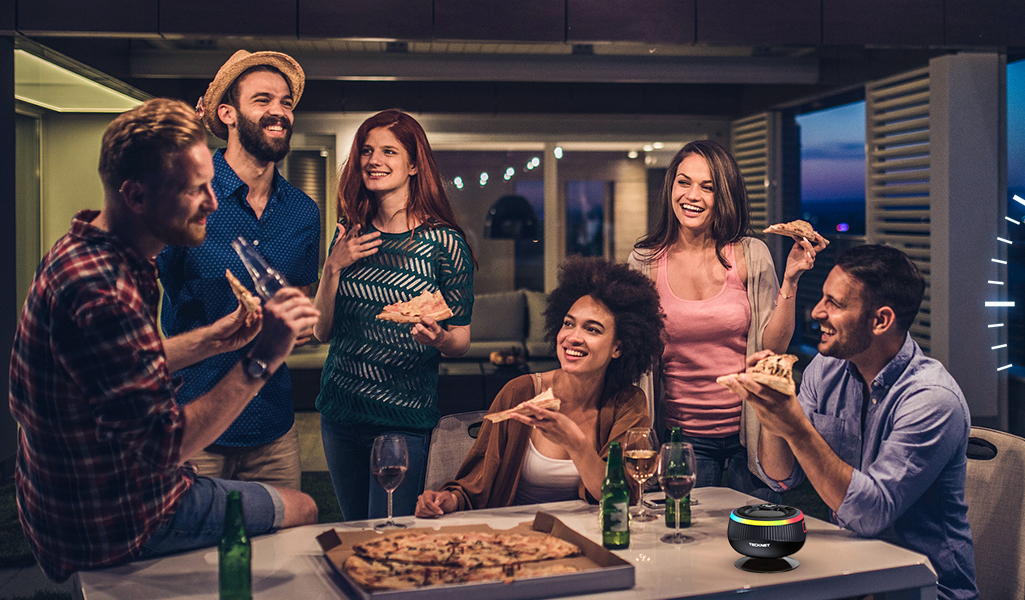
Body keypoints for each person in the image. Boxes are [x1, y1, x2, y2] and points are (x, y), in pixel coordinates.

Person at [9, 98, 320, 582]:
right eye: (196, 190)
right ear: (135, 196)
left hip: (72, 498)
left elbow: (126, 363)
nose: (214, 203)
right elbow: (163, 448)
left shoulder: (86, 248)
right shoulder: (103, 294)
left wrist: (217, 339)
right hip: (116, 517)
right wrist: (262, 356)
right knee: (302, 508)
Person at [723, 245, 979, 600]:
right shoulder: (828, 368)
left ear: (880, 321)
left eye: (836, 304)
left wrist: (795, 424)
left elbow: (870, 514)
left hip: (920, 588)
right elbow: (780, 476)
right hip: (850, 573)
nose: (817, 312)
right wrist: (771, 407)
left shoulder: (932, 400)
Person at [156, 49, 320, 491]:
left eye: (286, 102)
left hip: (274, 425)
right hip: (197, 422)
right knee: (194, 556)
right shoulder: (187, 196)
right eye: (263, 100)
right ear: (227, 113)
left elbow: (298, 303)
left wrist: (297, 324)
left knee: (285, 549)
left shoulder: (304, 212)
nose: (279, 112)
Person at [627, 139, 826, 501]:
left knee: (759, 545)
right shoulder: (645, 260)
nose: (693, 195)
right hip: (680, 438)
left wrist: (792, 278)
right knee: (685, 546)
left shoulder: (752, 253)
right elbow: (633, 352)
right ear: (670, 185)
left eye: (708, 187)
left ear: (725, 195)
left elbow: (773, 347)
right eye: (684, 182)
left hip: (749, 435)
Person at [312, 109, 476, 522]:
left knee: (389, 534)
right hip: (339, 414)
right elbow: (321, 330)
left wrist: (439, 338)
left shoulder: (443, 243)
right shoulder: (349, 232)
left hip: (402, 421)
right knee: (354, 533)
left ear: (414, 164)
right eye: (366, 150)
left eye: (389, 151)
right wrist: (333, 267)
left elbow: (460, 340)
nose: (373, 160)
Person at [415, 256, 664, 515]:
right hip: (517, 536)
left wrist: (575, 442)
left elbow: (623, 497)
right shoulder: (520, 391)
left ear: (618, 347)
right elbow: (475, 483)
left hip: (593, 537)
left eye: (592, 330)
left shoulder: (628, 402)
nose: (572, 338)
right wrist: (447, 500)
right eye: (568, 323)